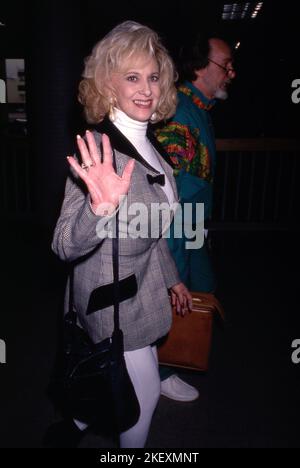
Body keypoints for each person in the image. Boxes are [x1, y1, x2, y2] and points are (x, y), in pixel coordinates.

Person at [48, 21, 193, 449]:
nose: (146, 88)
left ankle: (71, 424)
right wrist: (99, 208)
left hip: (142, 290)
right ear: (108, 86)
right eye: (132, 77)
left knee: (110, 374)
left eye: (152, 77)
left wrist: (173, 278)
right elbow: (63, 245)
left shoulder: (153, 146)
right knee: (142, 396)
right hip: (108, 298)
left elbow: (150, 231)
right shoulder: (97, 149)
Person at [156, 33, 236, 401]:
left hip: (194, 226)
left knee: (204, 286)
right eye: (225, 65)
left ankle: (175, 357)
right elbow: (169, 191)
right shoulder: (180, 112)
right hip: (177, 227)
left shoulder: (198, 108)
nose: (231, 73)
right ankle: (161, 370)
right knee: (181, 291)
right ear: (201, 67)